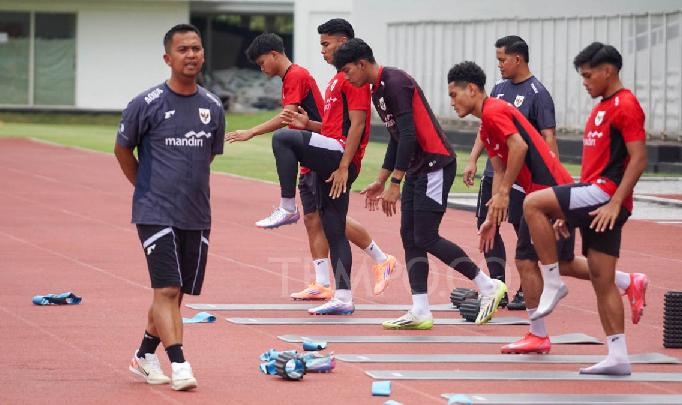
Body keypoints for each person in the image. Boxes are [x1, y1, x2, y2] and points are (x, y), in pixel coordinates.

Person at [448, 60, 644, 354]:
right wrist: (492, 215)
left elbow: (520, 147)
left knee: (526, 261)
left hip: (548, 192)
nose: (451, 102)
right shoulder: (486, 125)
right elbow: (499, 169)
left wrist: (505, 193)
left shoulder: (494, 110)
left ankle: (538, 333)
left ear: (472, 89)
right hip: (541, 193)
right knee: (564, 263)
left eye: (454, 95)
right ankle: (628, 281)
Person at [332, 38, 507, 330]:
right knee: (409, 236)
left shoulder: (395, 81)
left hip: (435, 164)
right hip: (417, 167)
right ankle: (420, 310)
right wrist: (381, 179)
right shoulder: (378, 90)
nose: (346, 77)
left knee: (425, 236)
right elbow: (396, 138)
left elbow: (409, 134)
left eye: (348, 70)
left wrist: (395, 181)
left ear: (362, 64)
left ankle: (487, 285)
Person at [225, 30, 396, 302]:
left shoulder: (304, 76)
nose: (322, 50)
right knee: (315, 220)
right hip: (314, 153)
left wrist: (251, 132)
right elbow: (327, 124)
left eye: (326, 44)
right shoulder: (332, 80)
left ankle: (379, 259)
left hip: (323, 156)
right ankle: (324, 283)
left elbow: (290, 118)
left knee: (331, 220)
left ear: (274, 55)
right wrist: (310, 125)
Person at [523, 43, 648, 375]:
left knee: (533, 203)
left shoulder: (626, 105)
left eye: (589, 76)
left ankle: (552, 281)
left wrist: (615, 202)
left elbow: (639, 158)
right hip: (594, 195)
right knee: (602, 279)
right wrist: (569, 211)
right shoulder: (601, 107)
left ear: (608, 71)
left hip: (606, 195)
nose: (585, 82)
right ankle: (618, 356)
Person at [115, 24, 225, 391]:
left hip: (196, 213)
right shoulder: (146, 104)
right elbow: (122, 149)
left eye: (196, 48)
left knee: (176, 294)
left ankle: (144, 355)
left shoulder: (212, 106)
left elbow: (207, 157)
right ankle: (179, 363)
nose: (191, 55)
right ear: (168, 58)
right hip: (155, 211)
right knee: (166, 289)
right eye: (183, 49)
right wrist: (146, 188)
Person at [464, 36, 558, 311]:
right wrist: (473, 159)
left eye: (502, 60)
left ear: (518, 59)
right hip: (494, 171)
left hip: (521, 177)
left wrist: (551, 178)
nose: (499, 65)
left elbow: (548, 136)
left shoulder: (538, 93)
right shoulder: (498, 89)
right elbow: (486, 127)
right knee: (487, 223)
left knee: (522, 227)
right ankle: (497, 286)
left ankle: (528, 288)